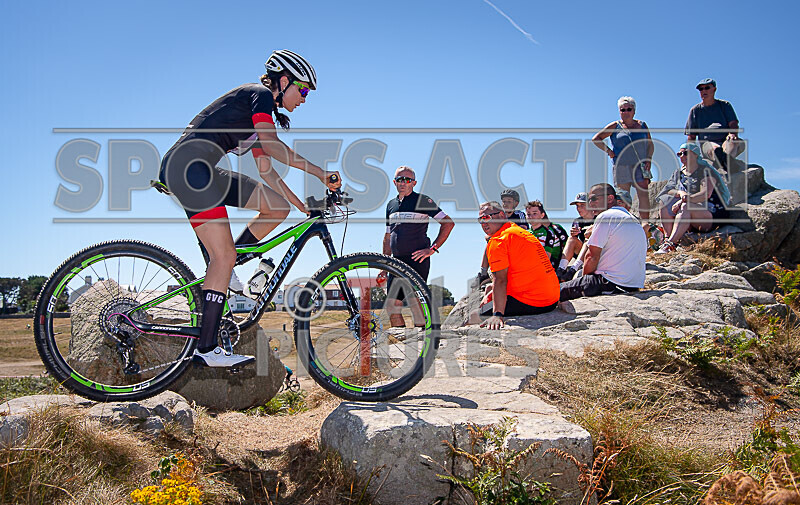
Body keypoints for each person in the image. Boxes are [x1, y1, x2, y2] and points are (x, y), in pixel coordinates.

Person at [158, 50, 341, 367]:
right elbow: (272, 145)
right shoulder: (258, 96)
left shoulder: (257, 117)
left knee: (276, 206)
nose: (305, 98)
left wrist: (303, 209)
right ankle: (207, 347)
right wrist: (320, 173)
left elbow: (268, 170)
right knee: (224, 255)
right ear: (284, 81)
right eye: (304, 90)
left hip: (201, 169)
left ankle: (230, 263)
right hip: (188, 168)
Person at [382, 166, 454, 326]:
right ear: (394, 182)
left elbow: (448, 223)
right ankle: (401, 344)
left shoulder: (423, 201)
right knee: (392, 305)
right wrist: (383, 264)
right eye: (400, 179)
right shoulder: (391, 205)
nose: (403, 182)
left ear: (414, 183)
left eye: (407, 180)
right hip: (396, 261)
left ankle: (424, 342)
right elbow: (388, 237)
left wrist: (433, 249)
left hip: (417, 259)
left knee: (416, 303)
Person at [470, 202, 560, 330]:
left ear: (501, 215)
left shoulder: (498, 240)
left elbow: (500, 280)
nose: (483, 223)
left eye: (486, 217)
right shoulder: (518, 231)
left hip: (536, 302)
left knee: (473, 317)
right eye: (480, 220)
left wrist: (497, 314)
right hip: (552, 298)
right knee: (490, 292)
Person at [559, 184, 647, 301]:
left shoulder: (606, 216)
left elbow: (592, 257)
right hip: (633, 285)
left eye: (594, 199)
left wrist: (584, 282)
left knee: (553, 292)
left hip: (610, 283)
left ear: (610, 198)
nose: (590, 203)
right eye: (589, 200)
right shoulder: (632, 219)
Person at [655, 142, 732, 254]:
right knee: (664, 202)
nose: (682, 156)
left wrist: (683, 200)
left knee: (686, 206)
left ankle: (671, 244)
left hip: (710, 213)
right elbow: (667, 191)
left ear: (696, 155)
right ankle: (667, 238)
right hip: (688, 213)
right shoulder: (679, 173)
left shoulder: (705, 171)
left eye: (685, 153)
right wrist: (680, 193)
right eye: (679, 154)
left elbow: (705, 194)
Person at [592, 96, 654, 223]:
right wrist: (609, 151)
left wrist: (648, 159)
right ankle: (625, 224)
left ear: (634, 110)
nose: (626, 112)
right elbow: (596, 139)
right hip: (621, 166)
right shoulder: (615, 126)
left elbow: (650, 144)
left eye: (629, 109)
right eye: (622, 110)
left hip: (640, 165)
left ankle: (645, 224)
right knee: (622, 197)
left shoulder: (642, 125)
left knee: (643, 195)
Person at [471, 189, 529, 287]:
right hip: (501, 241)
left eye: (509, 202)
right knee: (490, 242)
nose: (506, 204)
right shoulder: (499, 215)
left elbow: (523, 229)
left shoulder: (519, 215)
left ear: (516, 203)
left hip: (515, 241)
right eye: (504, 202)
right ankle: (483, 272)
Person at [685, 78, 743, 173]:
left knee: (733, 142)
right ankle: (724, 160)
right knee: (714, 148)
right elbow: (691, 136)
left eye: (707, 88)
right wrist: (688, 154)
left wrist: (733, 134)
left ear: (714, 89)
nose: (704, 91)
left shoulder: (724, 105)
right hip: (708, 144)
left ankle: (725, 161)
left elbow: (733, 123)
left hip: (726, 140)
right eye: (701, 89)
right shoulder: (695, 110)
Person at [557, 192, 595, 279]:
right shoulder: (577, 221)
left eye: (582, 205)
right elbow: (575, 241)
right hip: (582, 253)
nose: (578, 208)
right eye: (577, 206)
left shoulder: (598, 218)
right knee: (571, 239)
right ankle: (560, 270)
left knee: (588, 240)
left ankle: (573, 269)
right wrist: (573, 234)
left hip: (596, 253)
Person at [525, 200, 569, 269]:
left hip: (549, 267)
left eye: (535, 213)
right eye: (528, 214)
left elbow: (546, 258)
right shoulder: (525, 233)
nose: (531, 217)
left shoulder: (549, 232)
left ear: (542, 215)